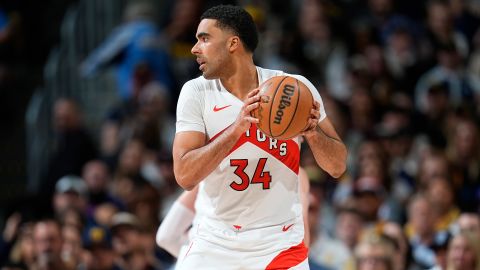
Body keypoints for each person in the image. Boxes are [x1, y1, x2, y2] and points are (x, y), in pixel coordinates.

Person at [171, 5, 347, 269]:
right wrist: (236, 130)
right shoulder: (196, 92)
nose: (195, 48)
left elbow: (337, 167)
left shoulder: (293, 89)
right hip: (215, 240)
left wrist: (312, 134)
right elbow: (184, 176)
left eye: (204, 38)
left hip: (279, 241)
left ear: (233, 44)